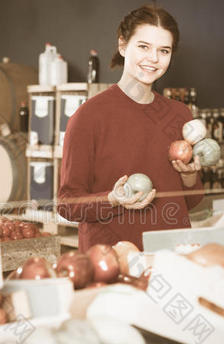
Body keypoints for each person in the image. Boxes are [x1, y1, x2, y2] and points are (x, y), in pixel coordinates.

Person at [57, 4, 204, 252]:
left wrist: (189, 175)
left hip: (172, 254)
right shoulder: (88, 117)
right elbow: (67, 204)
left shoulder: (180, 115)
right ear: (123, 45)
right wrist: (112, 199)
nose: (154, 59)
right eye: (144, 47)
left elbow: (190, 201)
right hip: (111, 260)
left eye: (164, 50)